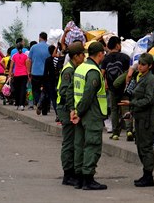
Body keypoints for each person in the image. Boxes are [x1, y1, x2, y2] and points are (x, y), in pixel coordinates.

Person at [71, 41, 108, 190]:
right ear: (100, 54)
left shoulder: (81, 68)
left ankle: (79, 178)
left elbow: (76, 92)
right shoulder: (93, 71)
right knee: (92, 145)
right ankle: (88, 179)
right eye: (103, 53)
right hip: (90, 113)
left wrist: (76, 111)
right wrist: (79, 112)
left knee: (80, 145)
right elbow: (88, 95)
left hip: (80, 112)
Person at [119, 53, 154, 187]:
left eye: (143, 64)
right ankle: (146, 174)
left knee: (146, 147)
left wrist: (131, 104)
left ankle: (148, 176)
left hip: (147, 119)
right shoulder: (139, 77)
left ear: (150, 66)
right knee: (140, 146)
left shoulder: (151, 79)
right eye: (139, 64)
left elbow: (149, 99)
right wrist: (131, 110)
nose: (140, 67)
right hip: (140, 117)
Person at [56, 42, 86, 186]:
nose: (84, 57)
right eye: (82, 54)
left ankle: (72, 171)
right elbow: (64, 91)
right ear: (76, 56)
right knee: (69, 142)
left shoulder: (74, 68)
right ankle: (68, 174)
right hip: (66, 109)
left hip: (68, 109)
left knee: (73, 141)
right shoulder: (69, 70)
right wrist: (71, 110)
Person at [101, 36, 132, 140]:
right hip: (124, 87)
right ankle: (129, 131)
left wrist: (106, 84)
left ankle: (115, 133)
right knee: (126, 108)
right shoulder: (125, 57)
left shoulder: (106, 59)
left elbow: (103, 73)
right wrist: (127, 85)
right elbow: (129, 73)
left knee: (114, 109)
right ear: (118, 45)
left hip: (112, 88)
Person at [27, 32, 49, 111]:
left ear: (40, 38)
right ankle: (45, 107)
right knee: (46, 90)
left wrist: (28, 71)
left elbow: (29, 60)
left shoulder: (33, 47)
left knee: (36, 89)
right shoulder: (49, 48)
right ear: (46, 38)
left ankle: (37, 103)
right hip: (46, 73)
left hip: (35, 72)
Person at [44, 44, 63, 119]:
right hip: (59, 80)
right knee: (59, 97)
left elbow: (45, 72)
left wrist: (44, 83)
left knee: (53, 98)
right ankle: (61, 113)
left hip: (51, 81)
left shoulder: (48, 60)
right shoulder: (60, 59)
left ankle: (57, 114)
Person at [9, 43, 29, 111]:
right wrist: (29, 74)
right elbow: (27, 66)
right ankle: (22, 105)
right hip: (24, 74)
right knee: (23, 89)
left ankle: (17, 103)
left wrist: (9, 75)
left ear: (16, 48)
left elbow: (11, 67)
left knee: (17, 90)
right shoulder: (25, 56)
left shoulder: (14, 56)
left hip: (16, 74)